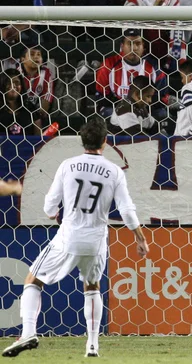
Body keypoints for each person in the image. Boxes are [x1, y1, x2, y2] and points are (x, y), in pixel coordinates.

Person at [1, 118, 149, 358]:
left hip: (69, 236)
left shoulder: (68, 165)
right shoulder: (114, 171)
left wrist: (52, 212)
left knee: (33, 279)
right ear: (105, 141)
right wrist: (140, 238)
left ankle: (28, 332)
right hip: (97, 239)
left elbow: (50, 206)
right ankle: (92, 345)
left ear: (82, 141)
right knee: (92, 287)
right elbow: (126, 209)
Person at [95, 29, 168, 118]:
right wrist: (125, 108)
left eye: (138, 44)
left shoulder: (154, 67)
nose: (134, 48)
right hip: (117, 109)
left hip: (146, 110)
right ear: (122, 46)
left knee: (161, 114)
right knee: (108, 112)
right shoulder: (108, 65)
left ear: (143, 46)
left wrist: (143, 108)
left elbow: (160, 96)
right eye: (130, 43)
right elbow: (101, 96)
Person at [124, 0, 187, 69]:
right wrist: (155, 7)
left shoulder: (172, 0)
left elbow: (175, 27)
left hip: (165, 48)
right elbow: (129, 24)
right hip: (142, 47)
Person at [0, 68, 41, 135]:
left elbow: (38, 136)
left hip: (27, 145)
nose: (13, 86)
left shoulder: (30, 107)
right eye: (8, 82)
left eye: (17, 82)